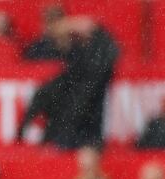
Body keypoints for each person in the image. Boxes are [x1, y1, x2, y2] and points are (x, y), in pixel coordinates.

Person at [18, 17, 119, 148]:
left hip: (84, 136)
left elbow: (107, 47)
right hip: (66, 138)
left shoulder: (96, 63)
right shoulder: (67, 72)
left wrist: (74, 26)